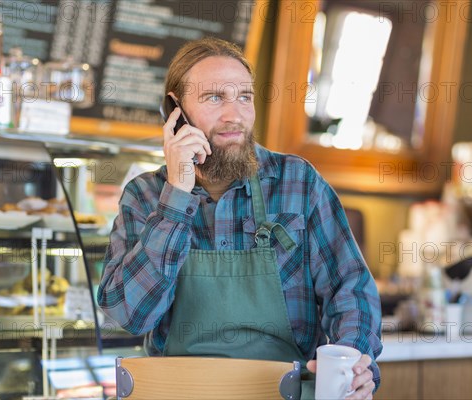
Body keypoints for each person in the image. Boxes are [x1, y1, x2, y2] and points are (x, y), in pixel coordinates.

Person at [98, 37, 382, 399]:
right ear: (174, 110)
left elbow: (351, 289)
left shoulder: (298, 181)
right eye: (215, 97)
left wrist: (355, 361)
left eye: (244, 97)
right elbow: (128, 315)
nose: (235, 115)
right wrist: (176, 197)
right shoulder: (144, 195)